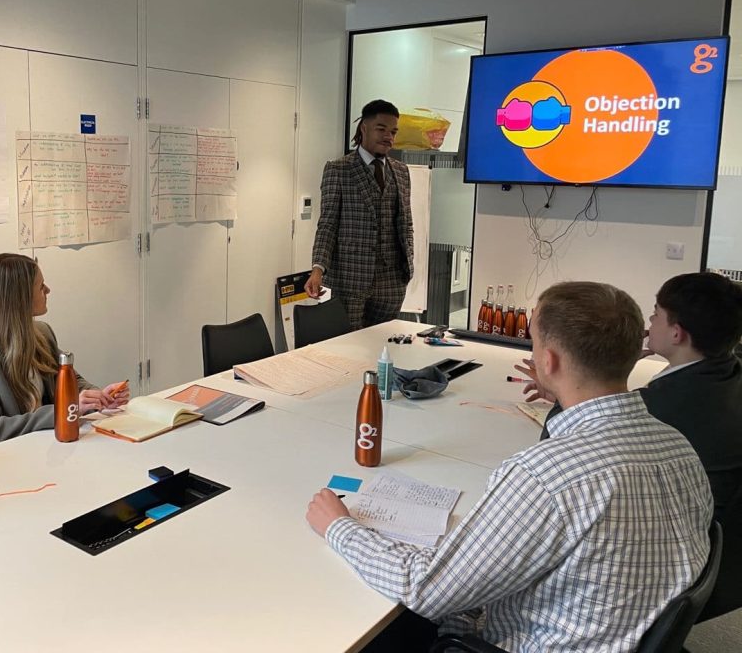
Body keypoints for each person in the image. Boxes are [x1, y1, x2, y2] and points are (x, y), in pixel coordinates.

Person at [306, 282, 713, 652]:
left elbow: (426, 589)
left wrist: (339, 527)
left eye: (533, 344)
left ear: (548, 361)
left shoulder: (546, 476)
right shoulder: (679, 448)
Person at [524, 272, 742, 620]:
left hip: (659, 564)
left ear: (676, 333)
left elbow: (562, 446)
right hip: (722, 556)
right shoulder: (727, 379)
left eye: (656, 314)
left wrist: (569, 388)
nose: (649, 322)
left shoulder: (661, 406)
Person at [0, 253, 129, 447]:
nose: (48, 290)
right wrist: (64, 411)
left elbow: (70, 382)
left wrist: (99, 397)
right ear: (19, 298)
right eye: (40, 286)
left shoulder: (42, 333)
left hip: (38, 446)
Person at [304, 99, 415, 330]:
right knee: (347, 342)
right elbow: (327, 225)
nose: (388, 137)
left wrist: (407, 267)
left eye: (393, 132)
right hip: (349, 278)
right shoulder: (338, 169)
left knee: (384, 342)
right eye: (381, 129)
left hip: (391, 282)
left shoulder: (401, 172)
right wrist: (318, 269)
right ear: (364, 128)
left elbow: (405, 224)